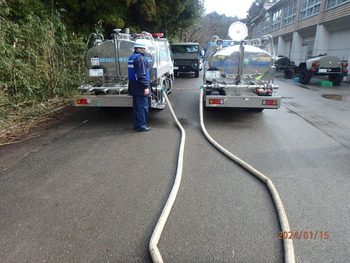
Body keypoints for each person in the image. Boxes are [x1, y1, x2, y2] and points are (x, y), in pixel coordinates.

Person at [128, 40, 151, 132]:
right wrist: (145, 87)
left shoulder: (132, 57)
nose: (144, 50)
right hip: (140, 86)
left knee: (137, 107)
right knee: (142, 107)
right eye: (142, 49)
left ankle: (136, 124)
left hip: (133, 85)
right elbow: (141, 75)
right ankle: (142, 126)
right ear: (138, 49)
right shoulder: (140, 59)